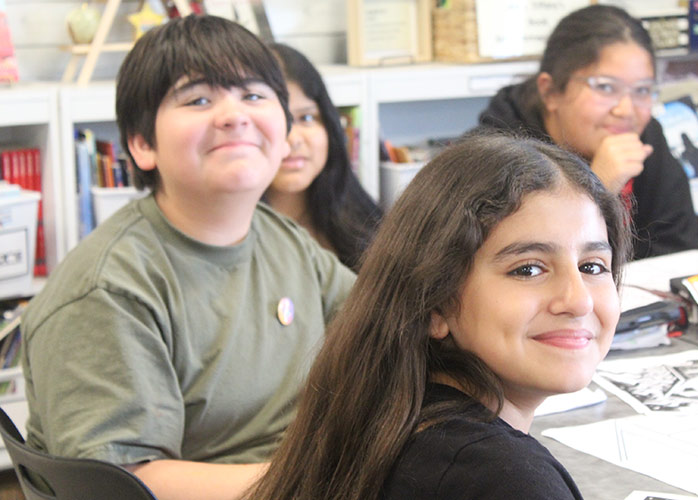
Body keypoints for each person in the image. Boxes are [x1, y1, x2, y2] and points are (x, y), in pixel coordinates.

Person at [20, 15, 355, 500]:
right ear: (141, 144)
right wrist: (318, 480)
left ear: (284, 131)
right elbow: (125, 482)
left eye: (255, 95)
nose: (233, 114)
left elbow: (378, 327)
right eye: (198, 99)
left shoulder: (282, 239)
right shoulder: (109, 289)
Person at [245, 133, 632, 500]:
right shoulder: (501, 477)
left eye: (593, 266)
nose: (577, 301)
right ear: (435, 302)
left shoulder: (392, 416)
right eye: (528, 269)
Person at [478, 4, 698, 260]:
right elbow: (515, 266)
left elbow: (682, 252)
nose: (626, 110)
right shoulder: (496, 154)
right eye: (606, 87)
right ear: (550, 92)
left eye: (642, 90)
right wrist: (599, 188)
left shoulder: (645, 137)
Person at [264, 43, 382, 271]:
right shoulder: (231, 239)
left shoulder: (368, 227)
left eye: (307, 118)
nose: (293, 139)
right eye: (278, 121)